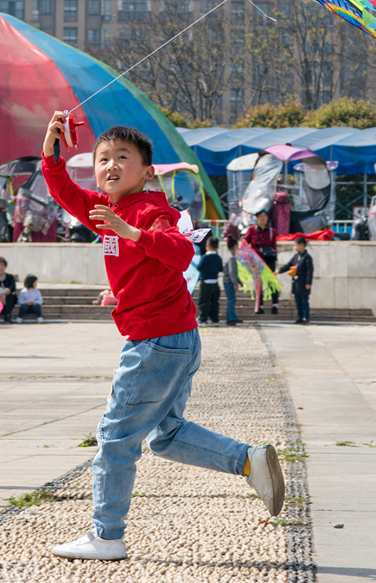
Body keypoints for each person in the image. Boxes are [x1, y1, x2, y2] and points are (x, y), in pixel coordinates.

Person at [41, 112, 287, 561]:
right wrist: (51, 151)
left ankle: (106, 535)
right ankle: (251, 461)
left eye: (122, 157)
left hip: (157, 342)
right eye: (102, 159)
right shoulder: (109, 209)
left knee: (115, 437)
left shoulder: (149, 211)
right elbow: (66, 194)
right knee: (165, 435)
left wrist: (130, 232)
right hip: (171, 337)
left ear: (147, 171)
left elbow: (178, 252)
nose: (110, 165)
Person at [244, 210, 279, 314]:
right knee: (258, 284)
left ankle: (275, 304)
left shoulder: (272, 231)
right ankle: (260, 306)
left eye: (265, 216)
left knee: (271, 283)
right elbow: (245, 242)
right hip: (256, 261)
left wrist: (275, 260)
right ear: (257, 218)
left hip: (269, 260)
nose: (263, 218)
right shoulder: (252, 229)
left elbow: (274, 246)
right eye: (260, 216)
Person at [279, 237, 314, 326]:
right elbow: (288, 265)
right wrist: (279, 271)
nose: (295, 247)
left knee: (304, 301)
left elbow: (309, 271)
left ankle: (306, 318)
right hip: (296, 282)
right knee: (297, 301)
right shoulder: (296, 256)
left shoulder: (307, 258)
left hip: (303, 282)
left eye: (296, 245)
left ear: (302, 245)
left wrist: (308, 282)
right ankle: (300, 317)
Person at [196, 236, 223, 325]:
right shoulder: (218, 258)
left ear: (207, 246)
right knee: (214, 302)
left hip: (205, 282)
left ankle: (203, 319)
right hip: (215, 282)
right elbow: (220, 268)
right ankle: (214, 319)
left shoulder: (204, 257)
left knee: (204, 301)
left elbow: (199, 268)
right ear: (217, 247)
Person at [0, 257, 17, 324]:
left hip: (6, 298)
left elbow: (13, 287)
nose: (0, 267)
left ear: (5, 266)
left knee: (12, 296)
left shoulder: (10, 277)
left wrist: (5, 292)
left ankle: (7, 316)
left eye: (2, 265)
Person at [223, 236, 243, 326]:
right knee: (231, 300)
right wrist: (235, 282)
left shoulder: (227, 256)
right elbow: (232, 271)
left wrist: (238, 281)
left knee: (231, 300)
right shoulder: (231, 257)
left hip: (228, 280)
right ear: (235, 246)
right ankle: (231, 318)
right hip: (229, 281)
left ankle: (232, 317)